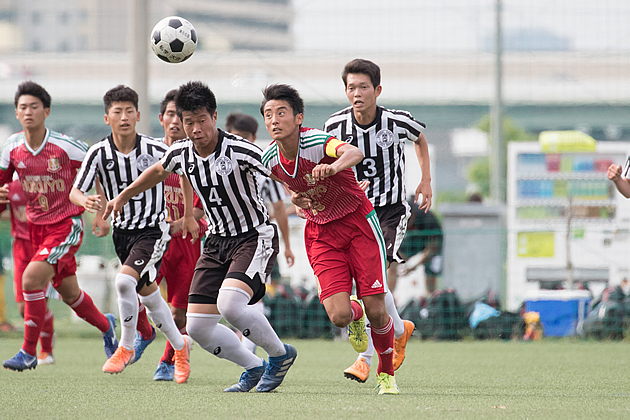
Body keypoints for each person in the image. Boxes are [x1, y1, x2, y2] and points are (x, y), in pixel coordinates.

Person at [102, 81, 296, 393]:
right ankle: (253, 366)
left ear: (214, 117)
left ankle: (279, 355)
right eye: (188, 122)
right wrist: (123, 196)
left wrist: (302, 193)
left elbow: (279, 171)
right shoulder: (181, 153)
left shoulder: (240, 150)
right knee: (198, 327)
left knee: (231, 305)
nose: (195, 128)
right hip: (216, 241)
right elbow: (157, 171)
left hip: (252, 237)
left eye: (201, 120)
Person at [261, 83, 399, 395]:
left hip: (358, 225)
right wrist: (297, 198)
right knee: (338, 316)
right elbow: (287, 184)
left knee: (378, 309)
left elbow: (354, 152)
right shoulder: (270, 159)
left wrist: (332, 166)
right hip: (321, 234)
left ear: (298, 118)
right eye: (268, 114)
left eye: (281, 112)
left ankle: (386, 374)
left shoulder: (318, 141)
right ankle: (355, 315)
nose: (274, 119)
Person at [70, 85, 192, 383]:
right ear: (106, 117)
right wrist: (87, 204)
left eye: (129, 111)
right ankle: (180, 346)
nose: (123, 117)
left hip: (153, 229)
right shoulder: (98, 152)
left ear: (138, 115)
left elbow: (186, 172)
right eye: (117, 111)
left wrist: (188, 214)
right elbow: (76, 190)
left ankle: (125, 346)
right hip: (122, 233)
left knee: (124, 280)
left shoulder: (155, 149)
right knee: (148, 294)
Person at [323, 58, 431, 383]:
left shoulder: (396, 121)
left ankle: (364, 357)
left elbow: (420, 139)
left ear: (377, 90)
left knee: (374, 275)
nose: (356, 93)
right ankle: (399, 329)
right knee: (366, 282)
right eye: (351, 87)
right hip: (355, 212)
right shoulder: (334, 126)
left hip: (391, 211)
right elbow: (328, 163)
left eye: (363, 87)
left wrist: (425, 181)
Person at [0, 81, 118, 372]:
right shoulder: (12, 147)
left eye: (34, 107)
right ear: (16, 113)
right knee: (70, 295)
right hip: (34, 230)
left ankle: (30, 352)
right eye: (23, 107)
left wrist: (101, 213)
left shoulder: (66, 146)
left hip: (66, 225)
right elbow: (2, 183)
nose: (28, 112)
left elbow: (98, 165)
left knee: (30, 280)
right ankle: (107, 326)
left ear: (46, 111)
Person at [225, 112, 294, 354]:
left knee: (253, 295)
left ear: (254, 138)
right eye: (235, 137)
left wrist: (286, 245)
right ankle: (249, 344)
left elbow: (279, 209)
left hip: (256, 240)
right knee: (225, 301)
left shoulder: (265, 166)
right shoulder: (217, 166)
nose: (240, 142)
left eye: (245, 138)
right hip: (223, 240)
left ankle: (250, 351)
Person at [152, 90, 208, 381]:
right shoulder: (151, 155)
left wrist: (180, 222)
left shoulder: (199, 158)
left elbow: (200, 209)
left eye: (181, 117)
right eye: (170, 115)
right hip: (152, 241)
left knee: (179, 314)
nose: (175, 121)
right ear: (161, 118)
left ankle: (168, 359)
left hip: (187, 242)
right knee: (138, 293)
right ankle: (140, 334)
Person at [0, 178, 58, 363]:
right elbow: (3, 213)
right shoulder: (10, 187)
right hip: (21, 249)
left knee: (40, 301)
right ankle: (47, 332)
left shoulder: (47, 184)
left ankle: (46, 351)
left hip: (44, 245)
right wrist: (17, 216)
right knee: (24, 309)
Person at [397, 202, 443, 295]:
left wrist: (413, 266)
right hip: (411, 242)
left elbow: (432, 250)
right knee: (391, 261)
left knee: (431, 270)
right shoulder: (399, 220)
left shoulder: (428, 219)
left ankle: (431, 297)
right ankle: (389, 295)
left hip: (430, 245)